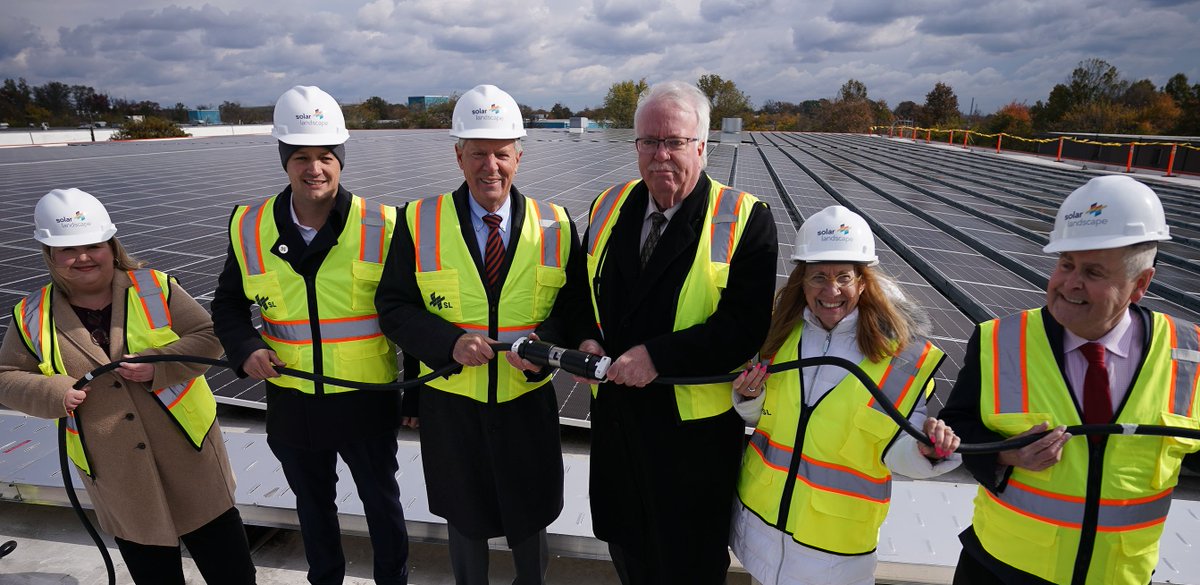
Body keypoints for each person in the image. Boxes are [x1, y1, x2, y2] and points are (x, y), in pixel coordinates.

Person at [938, 174, 1199, 585]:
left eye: (1093, 272)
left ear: (1140, 284)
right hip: (1001, 570)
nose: (1069, 284)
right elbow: (958, 427)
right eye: (1065, 264)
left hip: (1119, 576)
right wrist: (1006, 455)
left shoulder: (1189, 354)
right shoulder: (1000, 340)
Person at [375, 84, 583, 585]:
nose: (490, 167)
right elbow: (394, 306)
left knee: (530, 515)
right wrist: (447, 341)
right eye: (478, 155)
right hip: (452, 405)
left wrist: (543, 349)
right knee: (464, 517)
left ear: (519, 156)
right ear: (458, 156)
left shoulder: (555, 224)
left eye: (501, 154)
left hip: (526, 401)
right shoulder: (417, 221)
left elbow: (575, 309)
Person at [575, 80, 778, 584]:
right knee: (629, 554)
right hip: (618, 428)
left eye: (675, 142)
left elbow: (744, 326)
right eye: (648, 141)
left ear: (702, 147)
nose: (660, 154)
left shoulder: (746, 218)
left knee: (687, 566)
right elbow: (578, 294)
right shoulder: (608, 204)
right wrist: (585, 339)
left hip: (691, 443)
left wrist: (657, 356)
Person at [0, 188, 255, 585]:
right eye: (67, 249)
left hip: (190, 455)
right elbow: (5, 377)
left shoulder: (154, 287)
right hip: (114, 471)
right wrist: (53, 392)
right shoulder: (31, 315)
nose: (83, 257)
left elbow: (208, 335)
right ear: (49, 254)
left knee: (232, 571)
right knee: (154, 574)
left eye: (93, 245)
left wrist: (160, 365)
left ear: (111, 245)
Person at [210, 86, 407, 585]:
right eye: (300, 157)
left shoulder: (383, 224)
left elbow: (413, 312)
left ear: (340, 158)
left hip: (366, 398)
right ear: (283, 159)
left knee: (382, 506)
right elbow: (229, 305)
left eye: (325, 157)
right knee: (313, 508)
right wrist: (246, 348)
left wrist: (416, 395)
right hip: (293, 398)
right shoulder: (249, 226)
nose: (314, 169)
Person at [728, 205, 961, 585]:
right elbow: (767, 420)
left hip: (833, 552)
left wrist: (927, 450)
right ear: (802, 281)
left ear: (863, 282)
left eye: (843, 277)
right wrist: (750, 400)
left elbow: (899, 446)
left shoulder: (899, 357)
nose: (830, 290)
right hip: (763, 532)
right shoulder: (778, 335)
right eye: (818, 277)